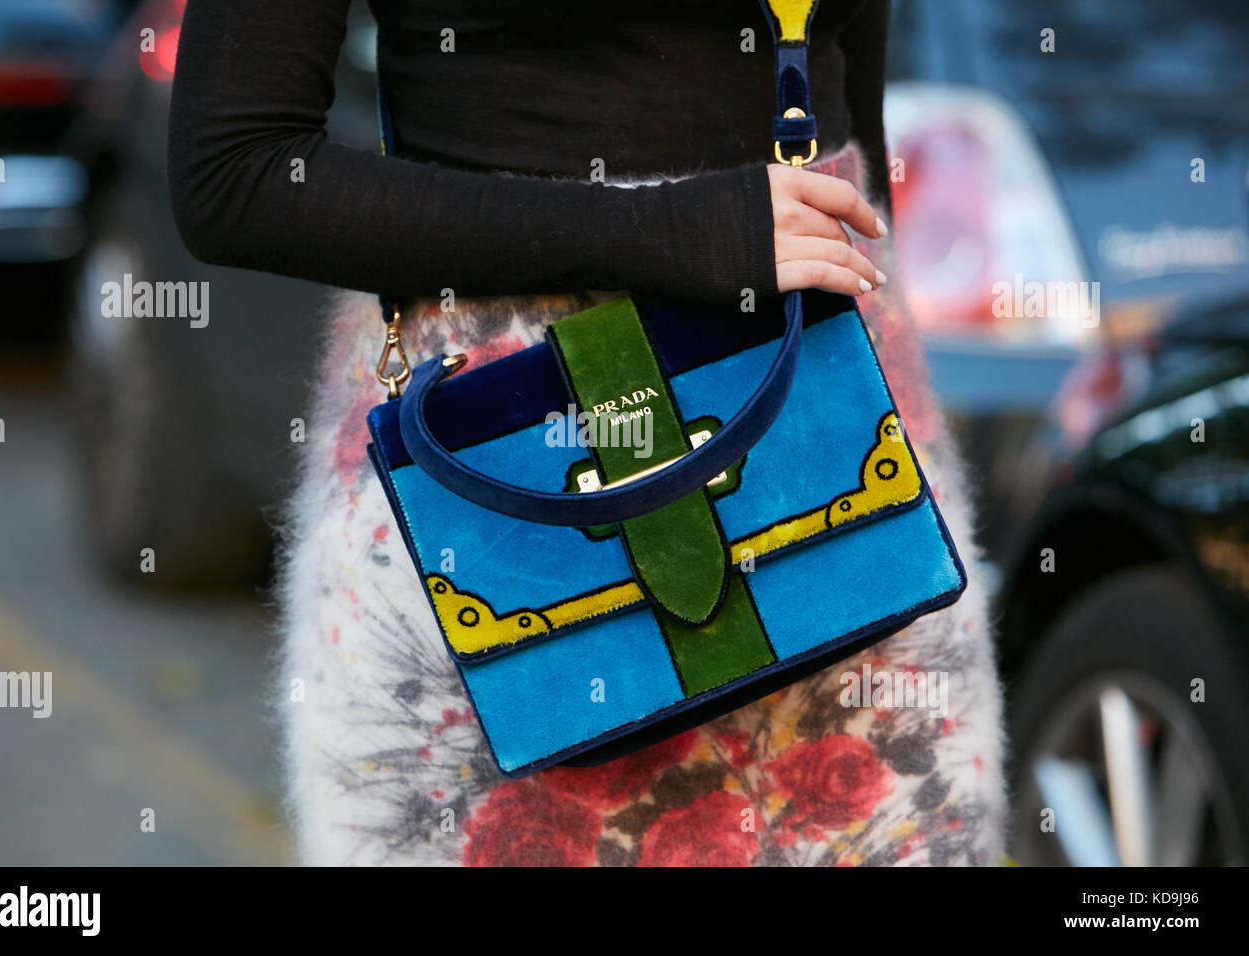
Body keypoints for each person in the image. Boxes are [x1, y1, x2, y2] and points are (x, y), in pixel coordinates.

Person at [168, 0, 1005, 865]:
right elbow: (238, 173)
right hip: (493, 492)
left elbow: (846, 85)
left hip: (836, 464)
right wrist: (675, 234)